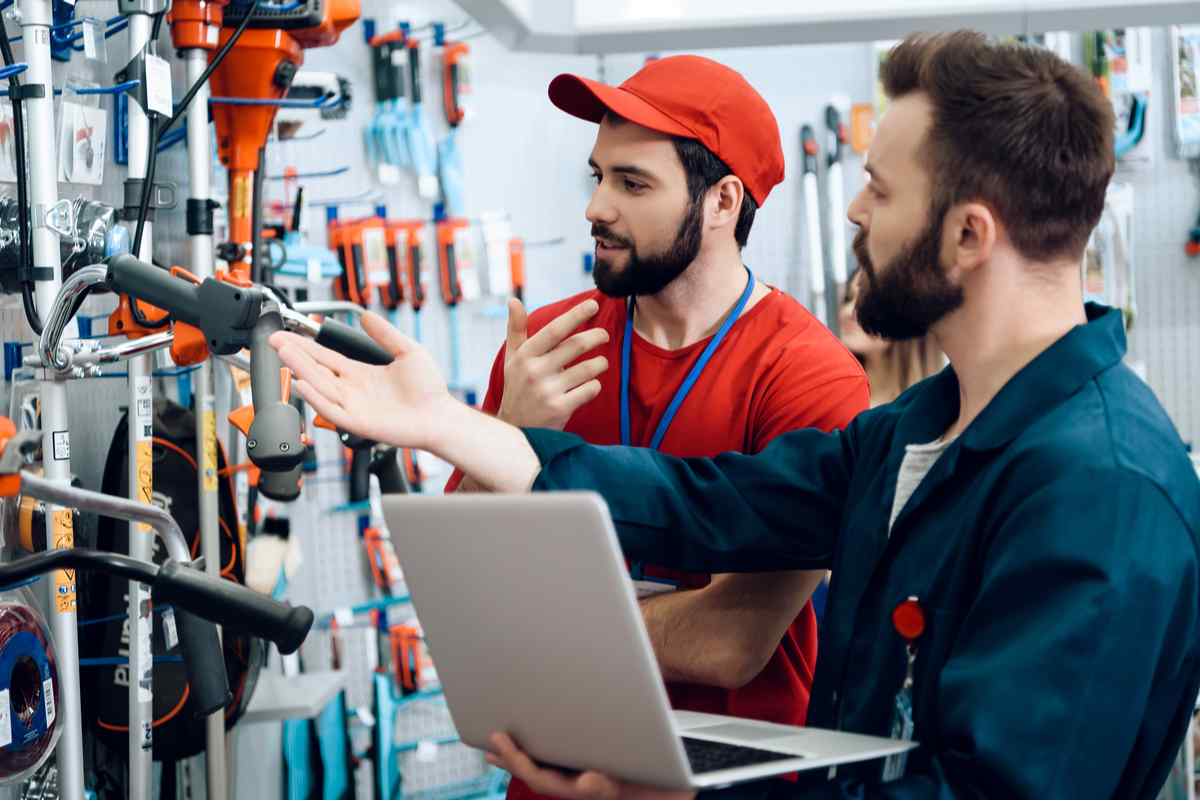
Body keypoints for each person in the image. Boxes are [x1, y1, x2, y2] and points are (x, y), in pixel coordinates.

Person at [273, 31, 1200, 798]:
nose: (851, 212)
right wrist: (447, 422)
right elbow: (705, 501)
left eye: (878, 188)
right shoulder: (922, 428)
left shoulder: (1099, 490)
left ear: (967, 234)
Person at [447, 58, 868, 797]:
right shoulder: (549, 348)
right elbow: (463, 592)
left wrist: (538, 636)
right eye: (598, 176)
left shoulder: (810, 375)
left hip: (726, 783)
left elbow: (730, 642)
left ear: (722, 201)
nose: (596, 209)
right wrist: (511, 431)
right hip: (551, 776)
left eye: (633, 183)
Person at [838, 268, 942, 407]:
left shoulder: (938, 409)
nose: (848, 312)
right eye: (848, 299)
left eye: (866, 302)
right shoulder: (836, 399)